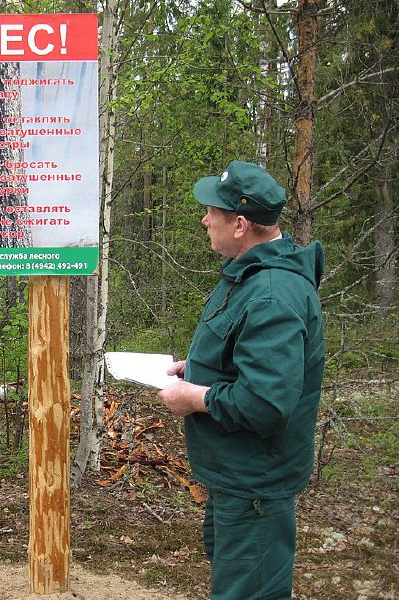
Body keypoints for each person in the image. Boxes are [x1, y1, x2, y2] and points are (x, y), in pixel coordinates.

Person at [157, 160, 325, 599]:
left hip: (256, 485)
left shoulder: (271, 294)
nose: (204, 219)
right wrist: (198, 370)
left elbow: (266, 404)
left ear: (240, 225)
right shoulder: (249, 273)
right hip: (239, 479)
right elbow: (247, 357)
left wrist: (196, 397)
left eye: (212, 211)